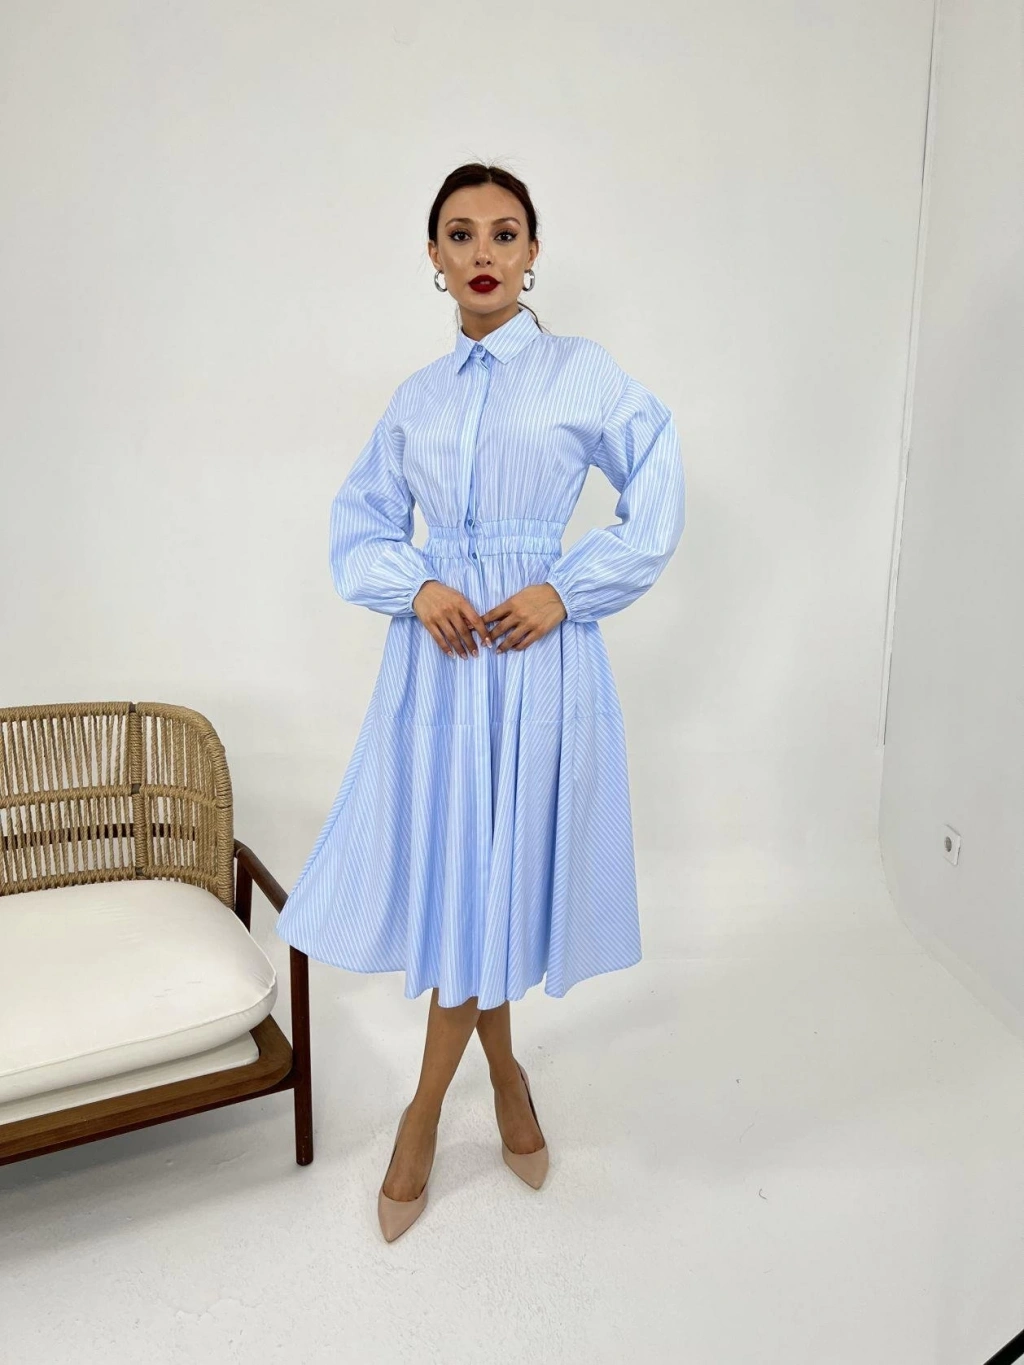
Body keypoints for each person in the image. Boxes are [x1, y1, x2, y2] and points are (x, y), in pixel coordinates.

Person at [275, 162, 686, 1242]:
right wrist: (416, 584)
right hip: (441, 664)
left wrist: (570, 587)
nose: (483, 253)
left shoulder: (580, 373)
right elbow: (358, 525)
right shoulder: (415, 399)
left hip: (536, 656)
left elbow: (655, 486)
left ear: (533, 252)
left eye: (505, 233)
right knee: (468, 875)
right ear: (434, 257)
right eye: (460, 234)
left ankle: (423, 1113)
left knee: (494, 873)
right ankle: (502, 1077)